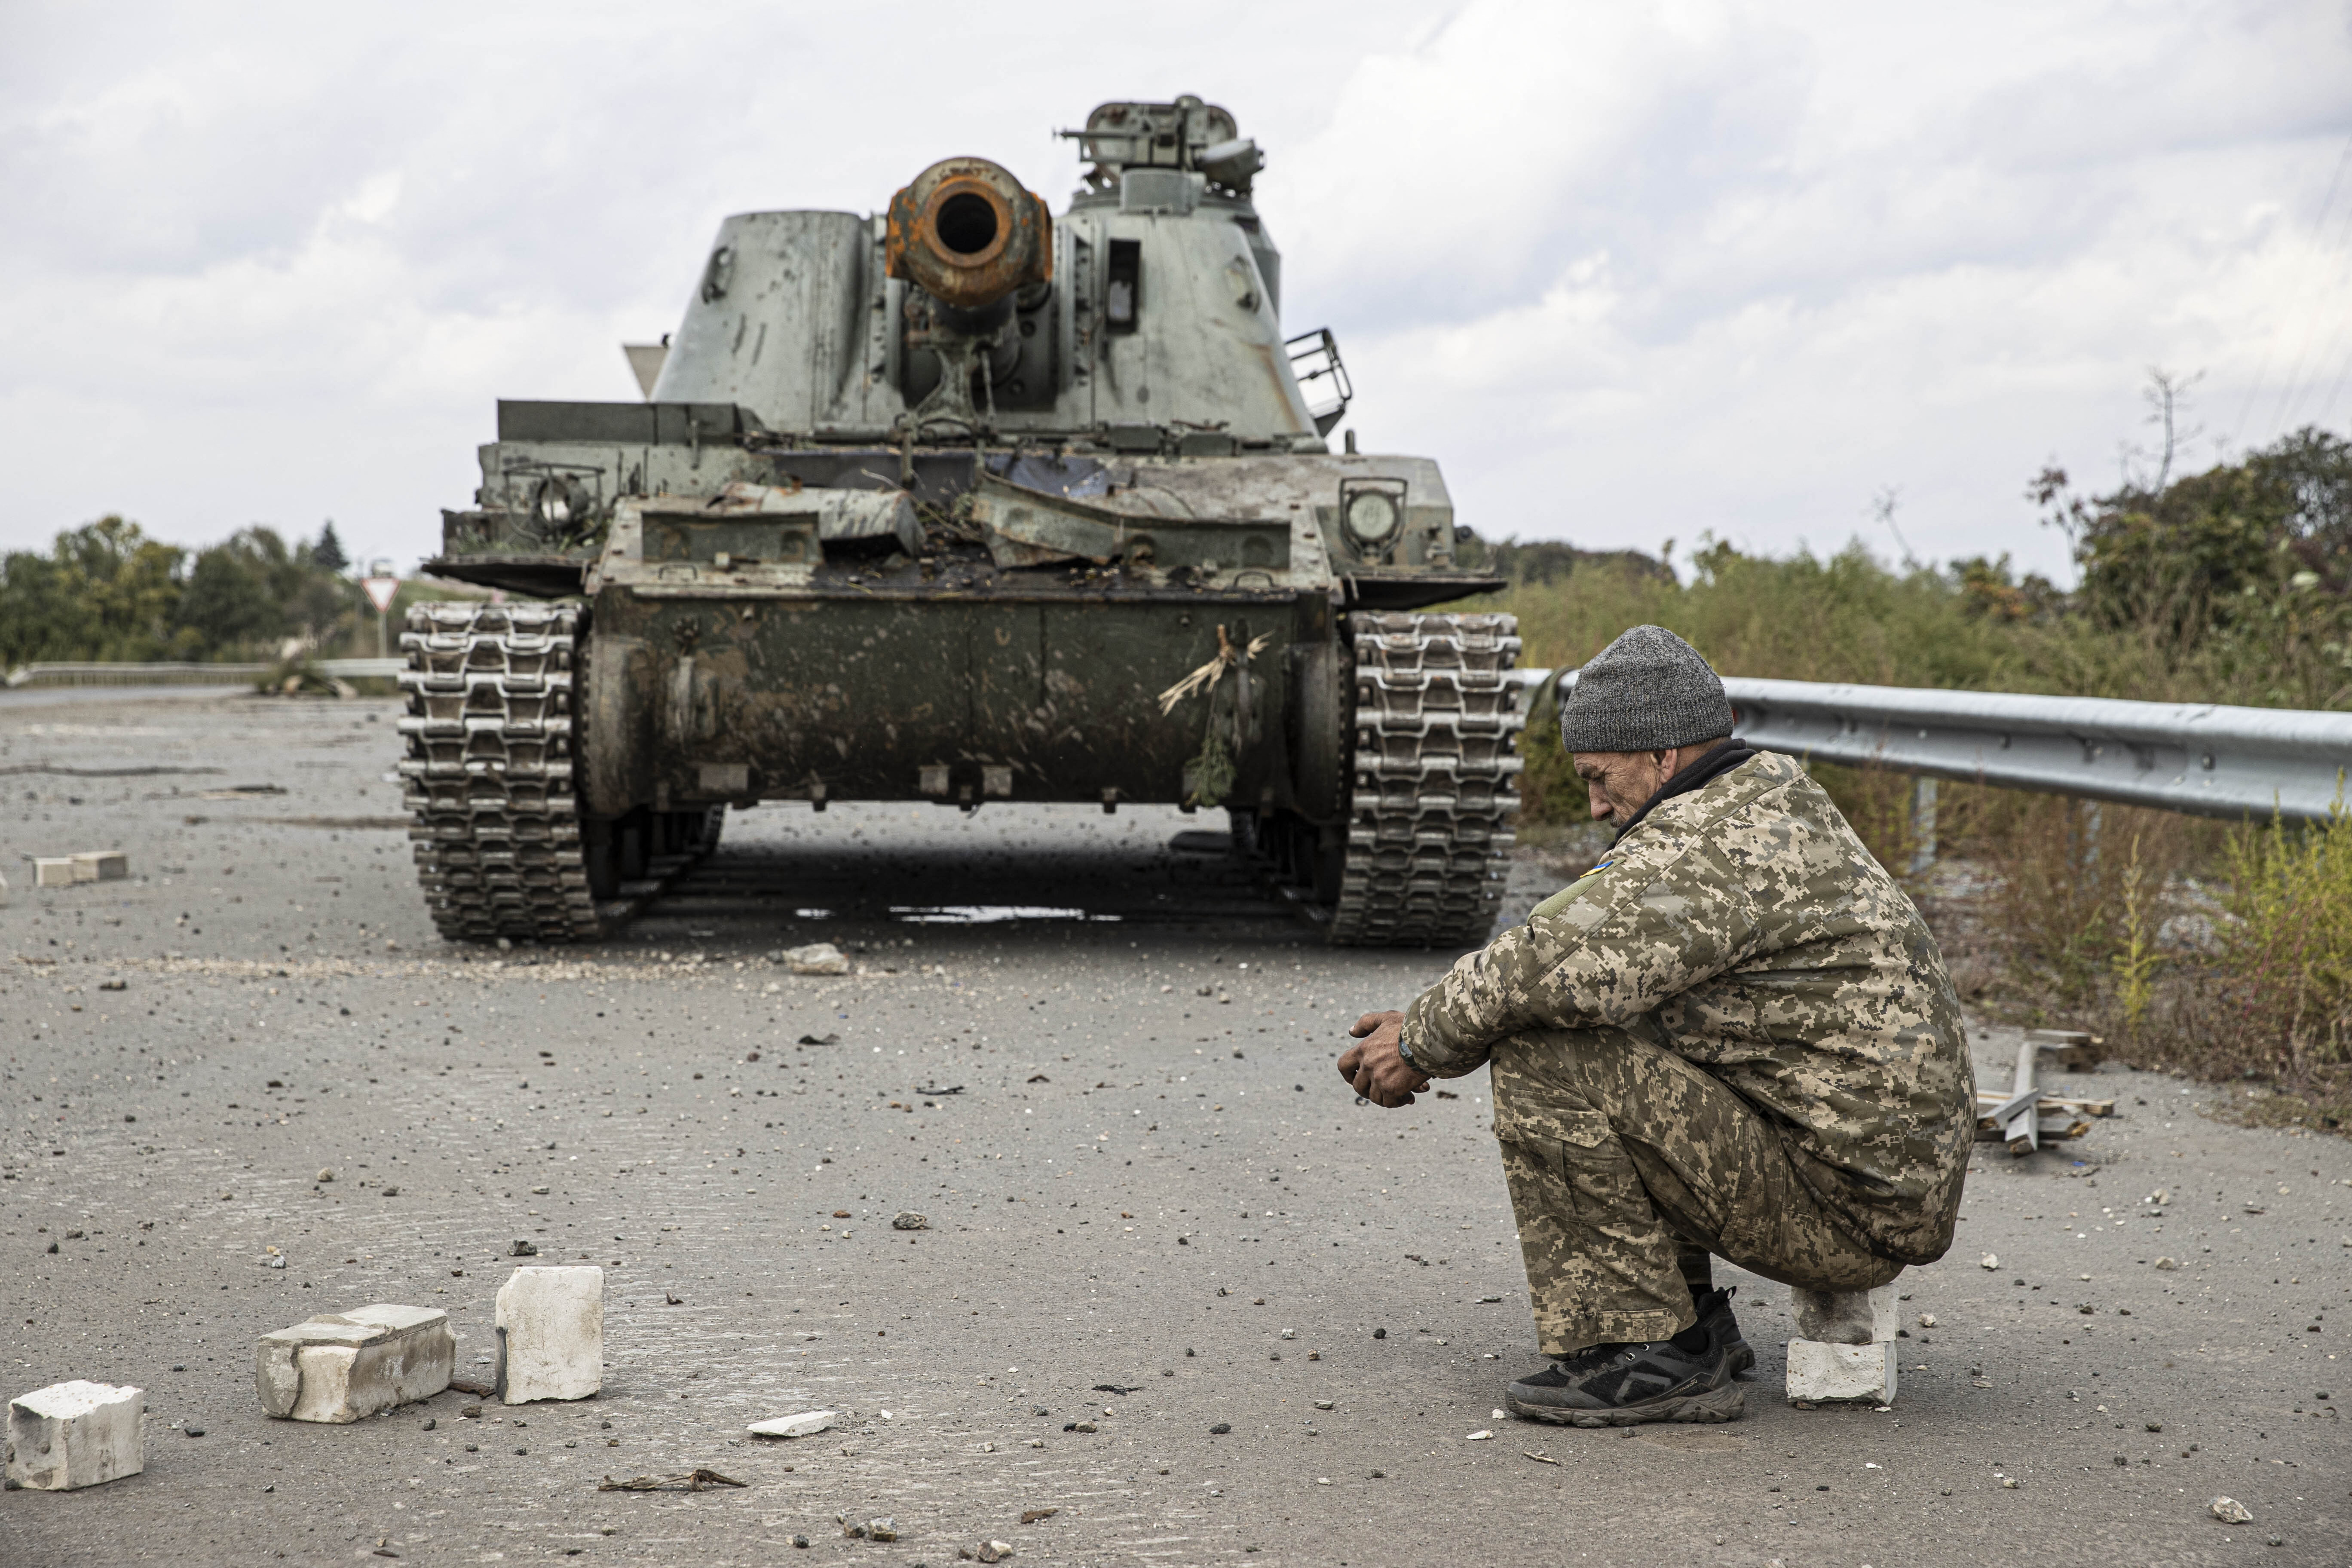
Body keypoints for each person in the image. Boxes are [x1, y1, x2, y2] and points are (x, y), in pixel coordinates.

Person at [1337, 625, 1974, 1426]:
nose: (1597, 805)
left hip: (1849, 1213)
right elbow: (1581, 951)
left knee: (1545, 1050)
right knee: (1621, 1016)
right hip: (1868, 1183)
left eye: (1602, 779)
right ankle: (1691, 1322)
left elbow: (1544, 964)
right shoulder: (1762, 798)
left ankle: (1646, 1352)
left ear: (1664, 758)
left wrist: (1417, 1042)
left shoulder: (1706, 843)